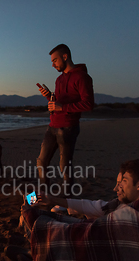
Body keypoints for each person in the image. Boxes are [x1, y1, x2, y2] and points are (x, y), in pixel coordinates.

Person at [36, 44, 94, 195]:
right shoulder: (59, 79)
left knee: (64, 166)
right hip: (52, 126)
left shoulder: (82, 77)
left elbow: (88, 104)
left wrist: (62, 108)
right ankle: (42, 195)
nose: (53, 64)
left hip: (68, 127)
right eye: (51, 61)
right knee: (41, 161)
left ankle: (65, 200)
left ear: (65, 56)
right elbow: (58, 102)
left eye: (55, 60)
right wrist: (48, 96)